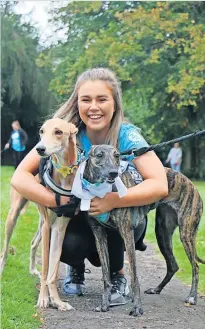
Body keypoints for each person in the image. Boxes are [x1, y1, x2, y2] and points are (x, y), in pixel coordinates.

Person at [11, 68, 168, 306]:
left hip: (116, 215)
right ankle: (75, 268)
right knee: (70, 242)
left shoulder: (127, 136)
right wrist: (54, 201)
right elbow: (19, 177)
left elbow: (160, 184)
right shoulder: (65, 132)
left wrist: (114, 200)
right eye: (86, 99)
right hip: (79, 219)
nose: (93, 106)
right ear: (77, 103)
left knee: (120, 225)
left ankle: (118, 274)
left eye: (102, 99)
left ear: (114, 104)